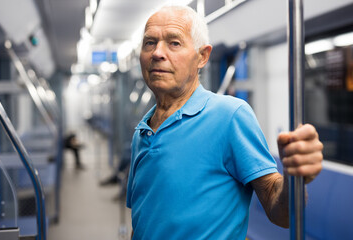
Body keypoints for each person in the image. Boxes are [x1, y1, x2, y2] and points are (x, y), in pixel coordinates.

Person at [126, 5, 323, 240]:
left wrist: (293, 176)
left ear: (202, 57)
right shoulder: (142, 131)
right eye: (149, 43)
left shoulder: (230, 116)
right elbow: (142, 218)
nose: (157, 52)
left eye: (174, 43)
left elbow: (280, 211)